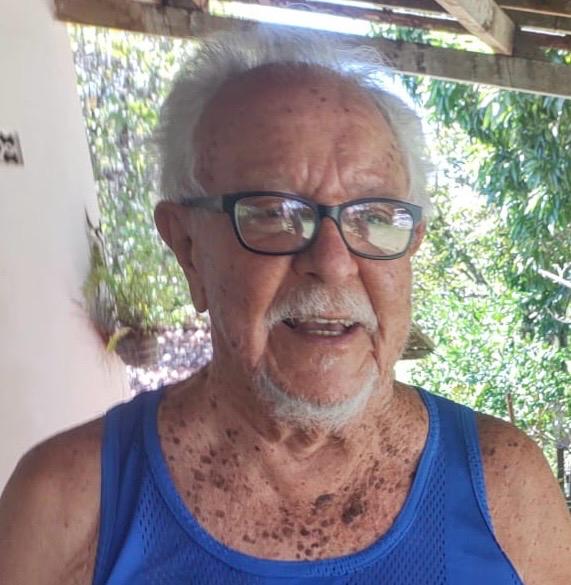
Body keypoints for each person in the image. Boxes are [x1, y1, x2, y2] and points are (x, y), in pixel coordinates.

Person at [1, 28, 570, 585]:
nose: (334, 262)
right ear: (188, 247)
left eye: (375, 217)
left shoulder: (505, 487)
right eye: (274, 213)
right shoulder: (68, 504)